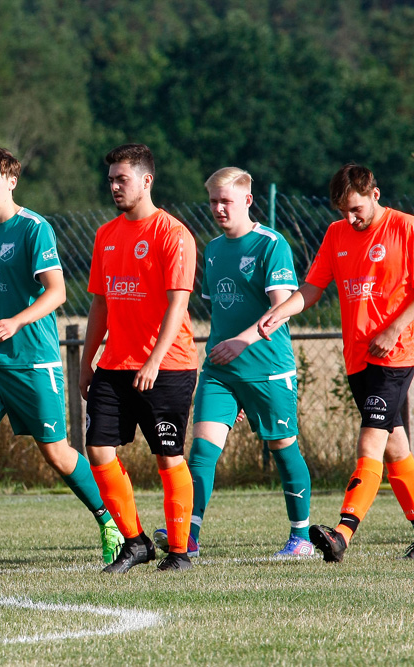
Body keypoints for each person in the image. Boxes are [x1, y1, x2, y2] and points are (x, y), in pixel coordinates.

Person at [0, 145, 123, 571]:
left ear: (12, 181)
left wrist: (15, 321)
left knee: (58, 454)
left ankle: (112, 522)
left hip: (33, 360)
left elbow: (58, 293)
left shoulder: (34, 229)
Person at [153, 167, 314, 560]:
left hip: (267, 369)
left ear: (247, 200)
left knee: (283, 447)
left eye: (225, 201)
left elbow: (282, 309)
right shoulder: (212, 249)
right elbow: (221, 312)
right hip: (221, 372)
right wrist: (233, 372)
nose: (218, 209)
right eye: (212, 201)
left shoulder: (270, 244)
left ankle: (301, 537)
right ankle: (188, 535)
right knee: (202, 451)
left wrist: (243, 342)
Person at [259, 163, 414, 563]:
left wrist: (395, 328)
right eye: (343, 210)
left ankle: (342, 534)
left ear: (375, 195)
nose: (350, 218)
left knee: (371, 440)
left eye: (357, 209)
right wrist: (282, 312)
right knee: (395, 446)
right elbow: (312, 287)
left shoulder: (405, 228)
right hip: (356, 358)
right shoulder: (336, 234)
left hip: (395, 354)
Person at [80, 143, 199, 573]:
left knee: (168, 457)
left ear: (146, 180)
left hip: (167, 366)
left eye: (121, 179)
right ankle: (135, 541)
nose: (113, 186)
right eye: (110, 179)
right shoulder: (106, 234)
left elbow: (177, 305)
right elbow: (99, 304)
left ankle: (181, 552)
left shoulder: (173, 234)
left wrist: (153, 360)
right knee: (98, 452)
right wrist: (86, 361)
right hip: (114, 365)